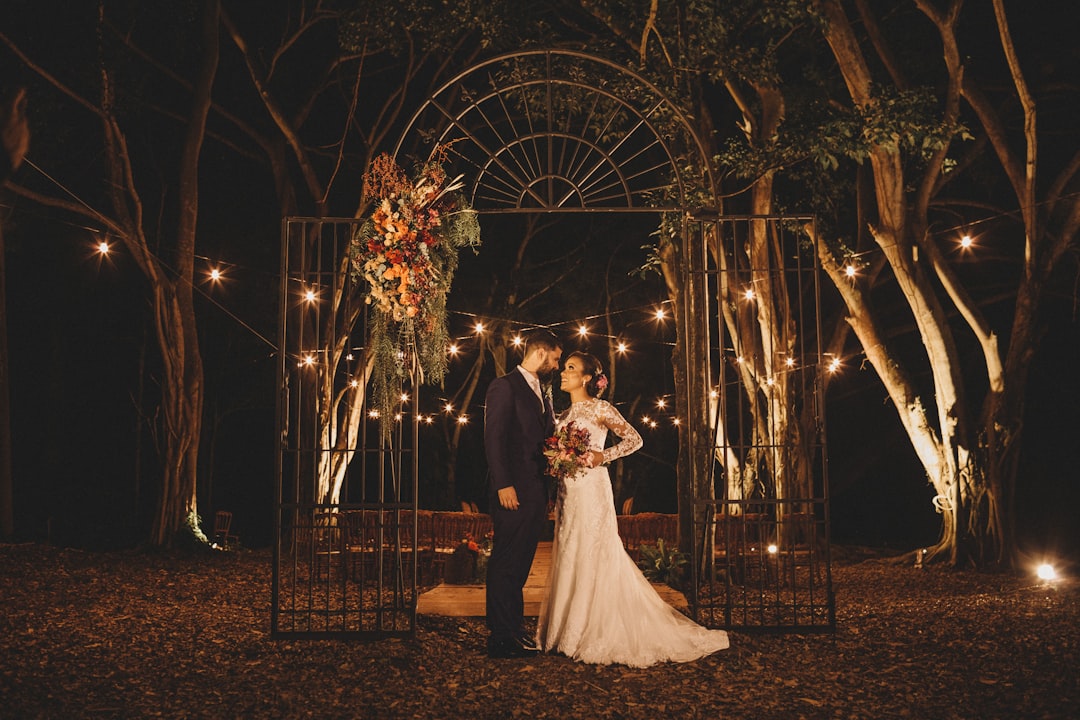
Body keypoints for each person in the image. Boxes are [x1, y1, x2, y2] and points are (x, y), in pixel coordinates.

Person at [537, 351, 729, 667]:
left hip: (592, 489)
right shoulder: (563, 414)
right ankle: (565, 630)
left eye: (570, 368)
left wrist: (602, 456)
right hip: (567, 493)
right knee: (570, 552)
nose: (563, 373)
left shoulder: (601, 408)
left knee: (593, 551)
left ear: (586, 377)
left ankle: (592, 628)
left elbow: (634, 439)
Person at [483, 328, 562, 658]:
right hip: (512, 491)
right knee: (506, 562)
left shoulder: (541, 392)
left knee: (520, 565)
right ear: (541, 353)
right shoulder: (504, 386)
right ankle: (501, 637)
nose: (557, 366)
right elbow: (494, 438)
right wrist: (503, 484)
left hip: (534, 491)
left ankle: (513, 629)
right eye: (556, 359)